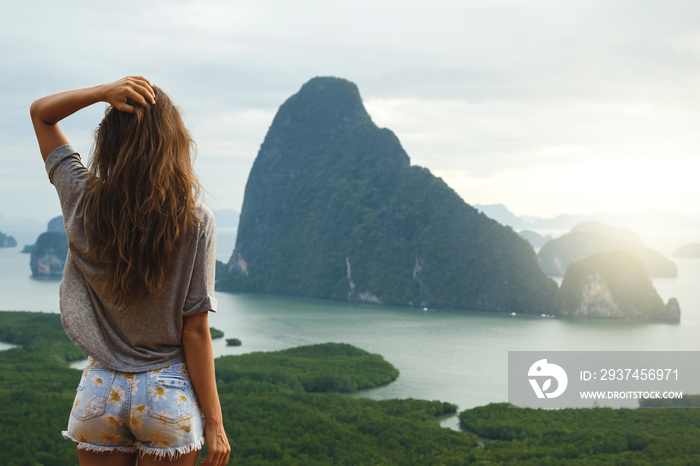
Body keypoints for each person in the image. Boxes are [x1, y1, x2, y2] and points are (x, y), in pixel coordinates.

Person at [30, 77, 231, 466]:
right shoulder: (195, 221)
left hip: (99, 392)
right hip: (166, 396)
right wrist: (215, 425)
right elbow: (195, 330)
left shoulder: (83, 199)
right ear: (173, 144)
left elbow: (41, 114)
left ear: (108, 143)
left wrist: (102, 93)